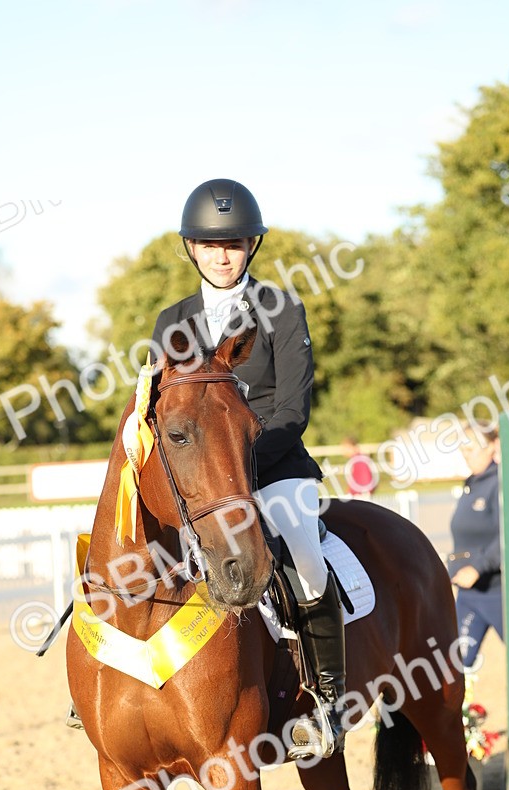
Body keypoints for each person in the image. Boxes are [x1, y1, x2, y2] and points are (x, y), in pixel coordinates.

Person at [150, 178, 346, 759]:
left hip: (275, 463)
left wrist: (238, 462)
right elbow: (165, 408)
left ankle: (326, 699)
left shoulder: (283, 309)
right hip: (201, 479)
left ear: (251, 246)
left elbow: (294, 407)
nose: (222, 255)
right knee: (145, 551)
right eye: (210, 245)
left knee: (306, 561)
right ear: (191, 248)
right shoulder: (171, 321)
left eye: (233, 244)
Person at [448, 427, 503, 667]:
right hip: (468, 595)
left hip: (497, 592)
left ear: (491, 446)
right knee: (456, 664)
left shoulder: (499, 484)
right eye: (462, 450)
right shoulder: (471, 483)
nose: (465, 455)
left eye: (470, 449)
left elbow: (507, 538)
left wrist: (478, 568)